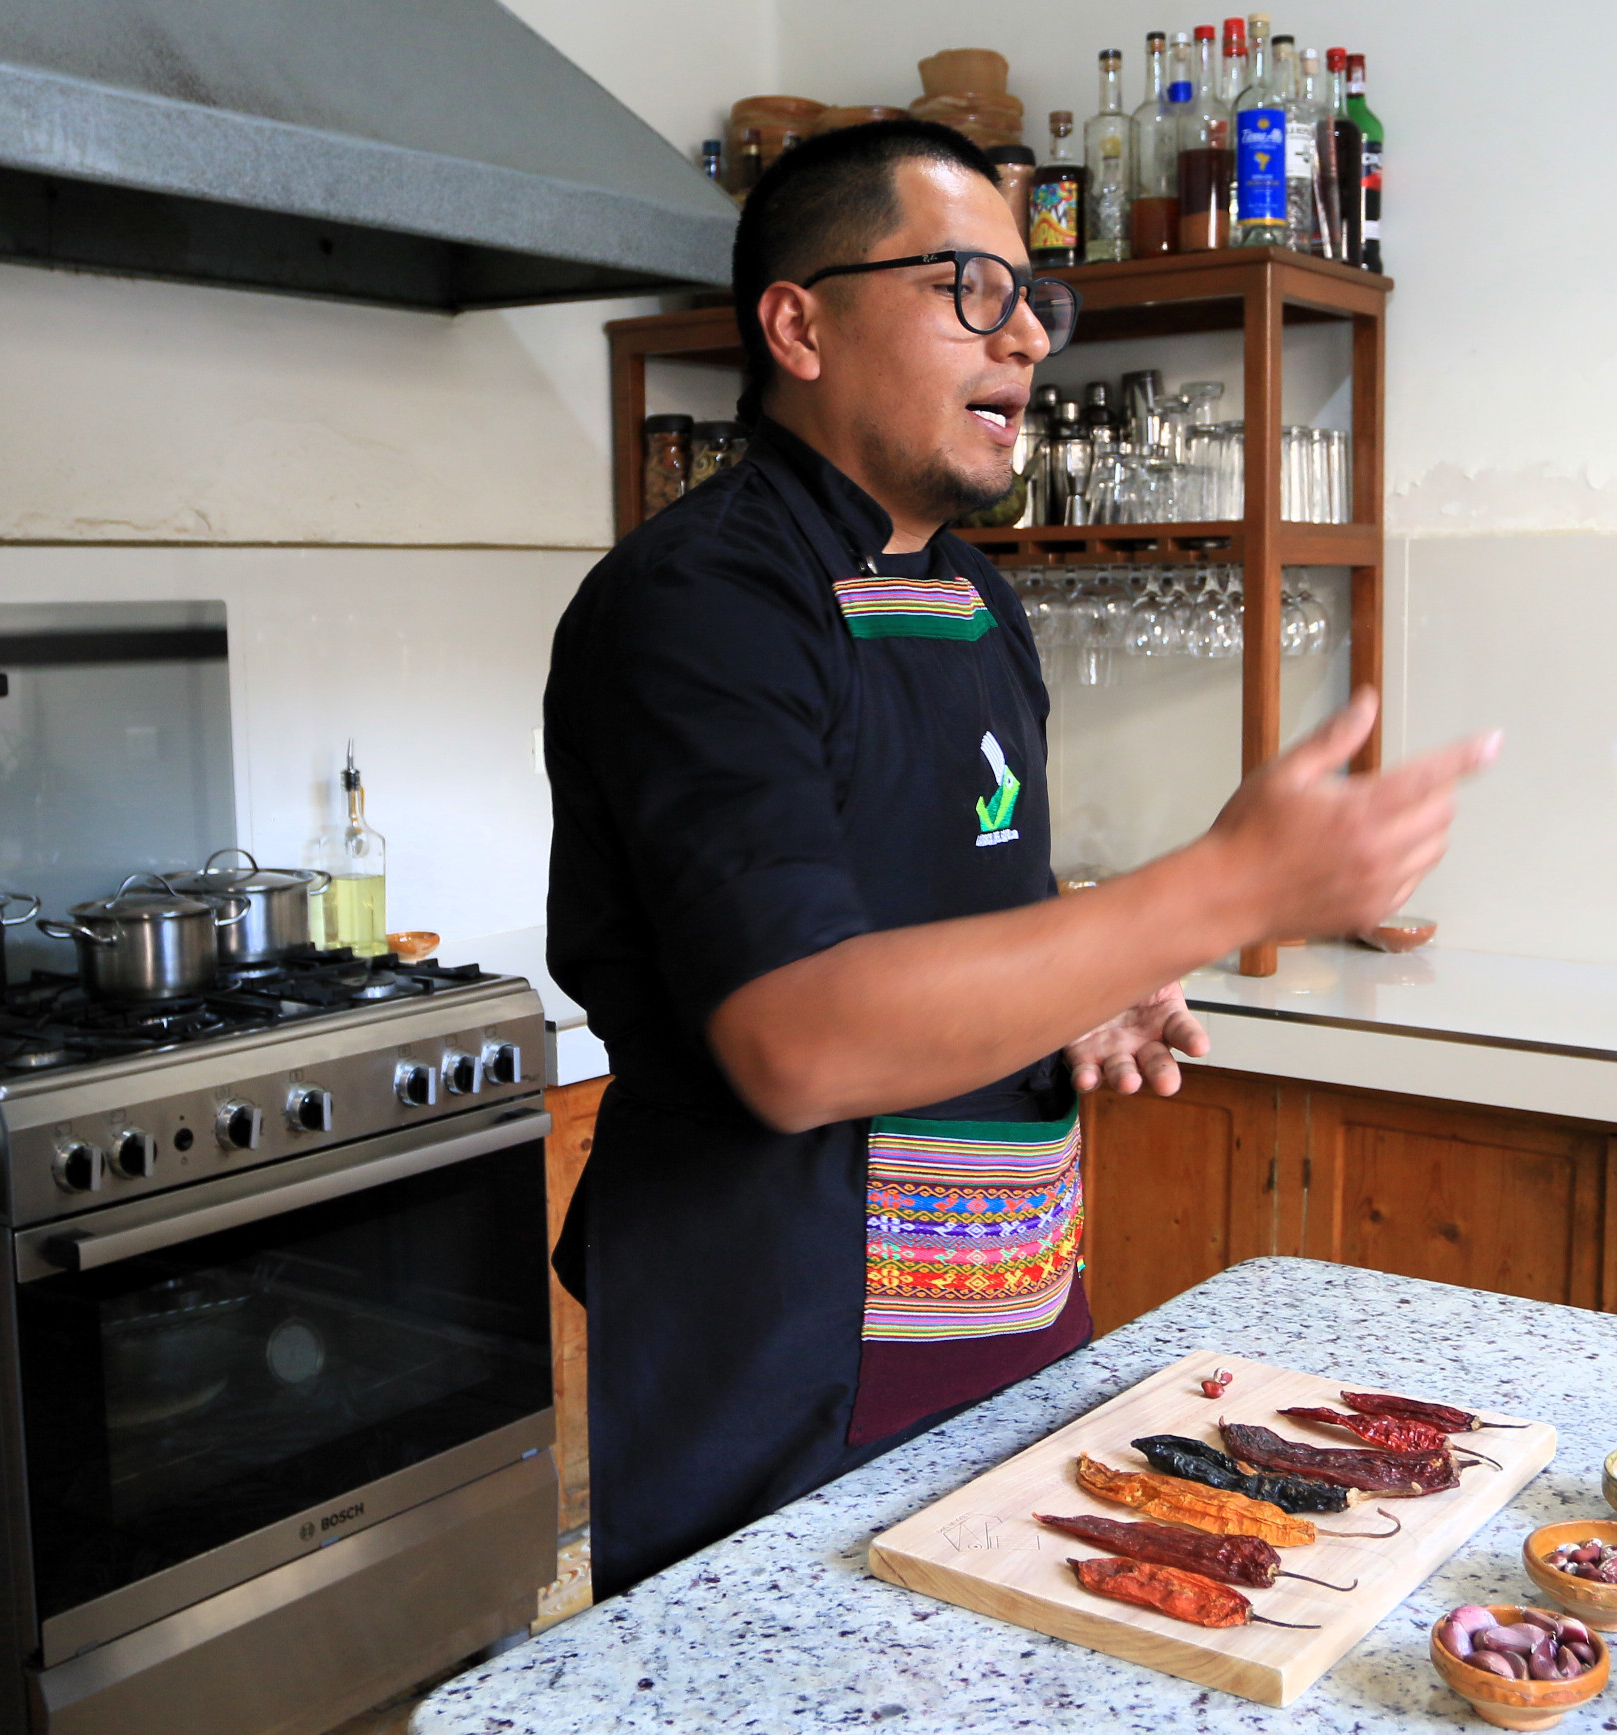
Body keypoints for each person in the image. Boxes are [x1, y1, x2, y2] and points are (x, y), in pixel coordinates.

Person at [544, 119, 1495, 1598]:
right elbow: (800, 1035)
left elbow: (940, 907)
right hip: (781, 1334)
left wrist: (1081, 989)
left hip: (1006, 1303)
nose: (1026, 340)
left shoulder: (974, 594)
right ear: (797, 322)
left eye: (1033, 301)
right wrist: (1221, 887)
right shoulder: (701, 604)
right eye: (966, 289)